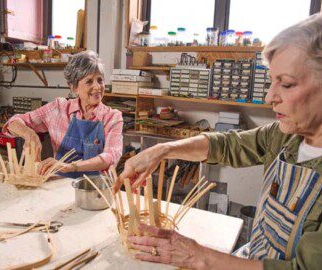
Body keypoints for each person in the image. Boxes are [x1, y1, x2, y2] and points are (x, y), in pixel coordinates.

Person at [117, 14, 322, 270]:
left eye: (287, 84)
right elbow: (227, 145)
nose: (270, 96)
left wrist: (200, 257)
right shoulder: (285, 136)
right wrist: (163, 149)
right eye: (271, 81)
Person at [3, 51, 123, 178]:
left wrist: (69, 166)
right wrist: (29, 134)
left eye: (100, 80)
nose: (97, 87)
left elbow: (109, 157)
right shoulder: (58, 108)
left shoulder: (113, 117)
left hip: (94, 189)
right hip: (58, 186)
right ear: (74, 87)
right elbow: (12, 123)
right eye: (89, 81)